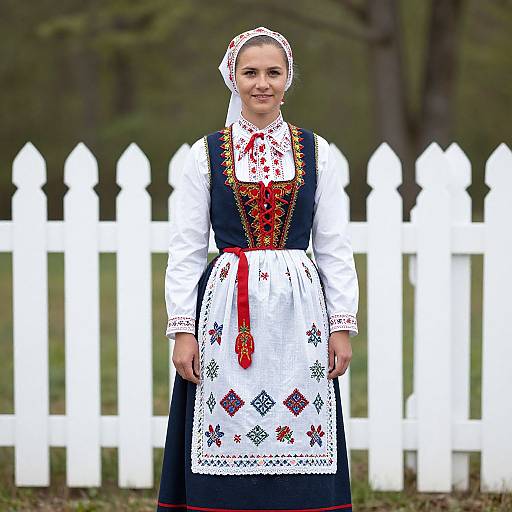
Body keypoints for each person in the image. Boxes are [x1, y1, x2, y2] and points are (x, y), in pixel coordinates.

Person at [156, 26, 359, 512]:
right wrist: (183, 331)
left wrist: (342, 324)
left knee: (300, 410)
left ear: (288, 79)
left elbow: (332, 245)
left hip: (299, 311)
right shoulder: (205, 154)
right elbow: (186, 249)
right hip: (228, 309)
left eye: (273, 72)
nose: (261, 83)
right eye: (250, 72)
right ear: (232, 77)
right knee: (224, 411)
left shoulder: (317, 152)